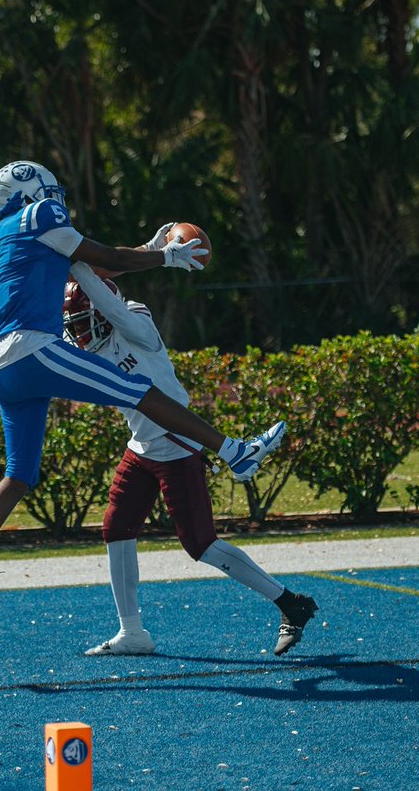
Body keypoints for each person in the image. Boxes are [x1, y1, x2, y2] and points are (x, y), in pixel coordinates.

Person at [0, 161, 286, 624]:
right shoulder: (39, 216)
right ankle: (235, 451)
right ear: (30, 190)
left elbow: (90, 264)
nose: (55, 197)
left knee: (19, 474)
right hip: (31, 348)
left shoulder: (6, 235)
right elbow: (105, 261)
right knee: (138, 391)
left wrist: (150, 248)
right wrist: (164, 255)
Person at [64, 256, 318, 657]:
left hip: (174, 441)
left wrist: (75, 259)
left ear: (101, 309)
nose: (78, 331)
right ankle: (132, 632)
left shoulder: (134, 322)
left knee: (200, 544)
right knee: (116, 528)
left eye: (81, 321)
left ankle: (291, 603)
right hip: (140, 445)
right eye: (73, 324)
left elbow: (111, 304)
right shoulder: (95, 346)